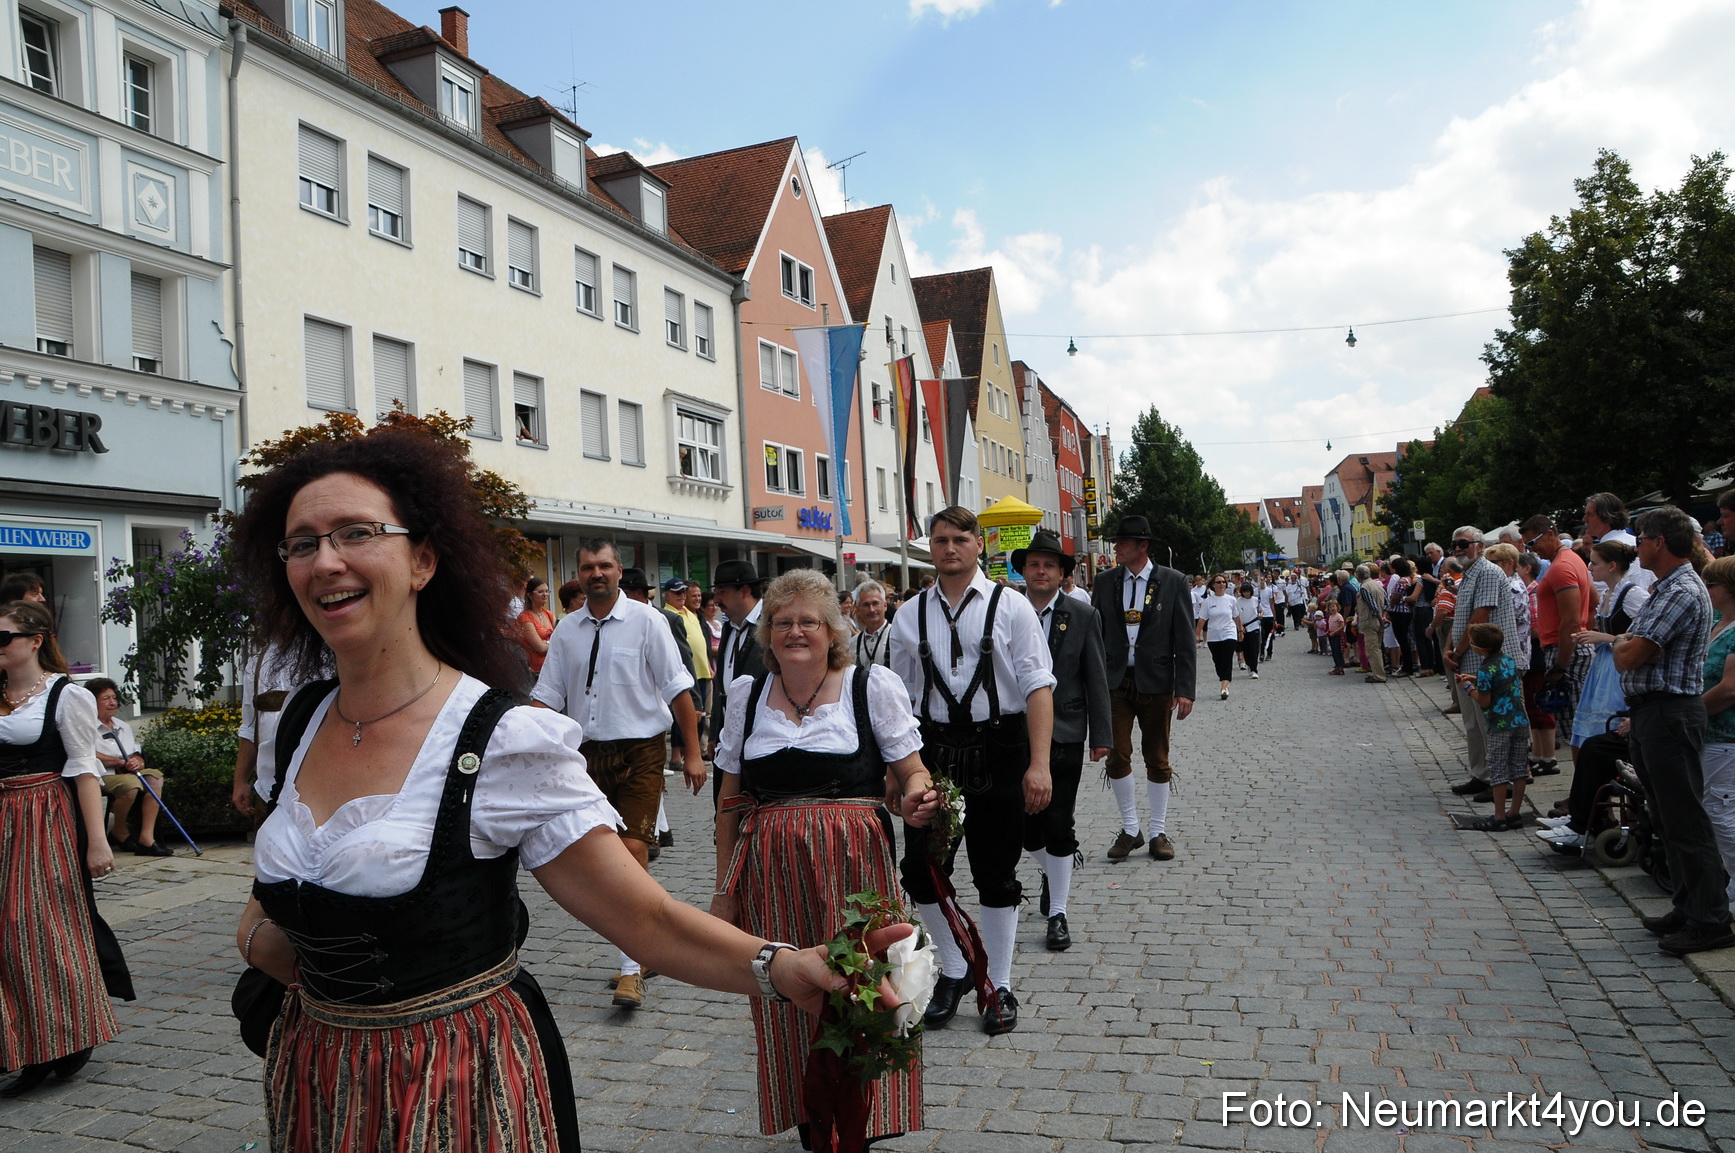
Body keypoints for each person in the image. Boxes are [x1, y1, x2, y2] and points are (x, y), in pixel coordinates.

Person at [229, 433, 908, 1152]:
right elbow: (269, 897)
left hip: (458, 1085)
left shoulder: (500, 738)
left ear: (423, 559)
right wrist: (277, 952)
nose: (325, 560)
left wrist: (780, 965)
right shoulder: (302, 716)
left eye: (357, 533)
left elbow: (645, 919)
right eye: (301, 543)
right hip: (317, 1079)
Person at [711, 569, 937, 1146]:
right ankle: (810, 1115)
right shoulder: (748, 693)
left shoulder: (870, 686)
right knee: (789, 987)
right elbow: (730, 798)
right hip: (771, 866)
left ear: (831, 629)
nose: (795, 632)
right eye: (782, 623)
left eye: (808, 621)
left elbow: (910, 769)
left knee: (866, 984)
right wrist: (723, 887)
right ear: (767, 632)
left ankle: (865, 1117)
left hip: (855, 859)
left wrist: (917, 797)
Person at [890, 506, 1055, 1035]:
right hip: (932, 754)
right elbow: (895, 699)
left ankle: (997, 984)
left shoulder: (1013, 607)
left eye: (960, 538)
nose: (949, 548)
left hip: (1001, 749)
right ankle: (958, 969)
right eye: (940, 540)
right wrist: (895, 774)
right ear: (930, 547)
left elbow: (1037, 687)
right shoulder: (909, 613)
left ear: (979, 544)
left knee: (995, 873)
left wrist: (1039, 764)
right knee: (919, 870)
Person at [534, 543, 706, 1008]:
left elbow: (678, 690)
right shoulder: (566, 630)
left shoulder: (648, 621)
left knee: (631, 850)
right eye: (587, 567)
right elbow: (546, 698)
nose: (596, 574)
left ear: (618, 572)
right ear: (579, 573)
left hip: (641, 751)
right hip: (586, 755)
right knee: (604, 861)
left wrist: (693, 753)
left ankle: (632, 968)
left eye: (604, 566)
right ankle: (648, 943)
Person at [0, 599, 126, 1095]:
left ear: (34, 641)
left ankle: (59, 1040)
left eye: (3, 637)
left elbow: (84, 770)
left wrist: (97, 842)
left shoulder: (65, 695)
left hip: (44, 817)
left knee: (31, 928)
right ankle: (18, 1041)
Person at [1613, 506, 1732, 955]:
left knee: (1685, 819)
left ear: (1660, 542)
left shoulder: (1681, 590)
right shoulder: (1665, 588)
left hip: (1669, 712)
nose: (1637, 546)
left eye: (1641, 538)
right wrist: (1631, 645)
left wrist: (1629, 646)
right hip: (1652, 712)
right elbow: (1631, 646)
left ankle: (1710, 919)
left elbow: (1628, 653)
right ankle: (1688, 906)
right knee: (1664, 815)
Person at [1012, 532, 1111, 952]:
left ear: (1061, 574)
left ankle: (1059, 914)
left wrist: (1102, 734)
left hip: (1066, 731)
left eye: (1049, 565)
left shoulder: (1083, 615)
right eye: (1034, 564)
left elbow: (1096, 676)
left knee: (1057, 822)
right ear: (1024, 569)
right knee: (1021, 827)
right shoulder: (1006, 613)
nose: (1040, 571)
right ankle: (1056, 871)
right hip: (1012, 732)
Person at [1090, 516, 1196, 862]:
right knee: (1117, 754)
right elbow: (1095, 635)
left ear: (1142, 546)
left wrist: (1185, 688)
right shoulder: (1105, 582)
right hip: (1116, 681)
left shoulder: (1172, 581)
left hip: (1158, 680)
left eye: (1122, 542)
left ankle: (1157, 832)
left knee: (1157, 757)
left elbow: (1185, 636)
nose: (1116, 547)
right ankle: (1130, 828)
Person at [1445, 530, 1521, 802]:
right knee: (1473, 724)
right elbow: (1462, 615)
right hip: (1470, 657)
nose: (1457, 549)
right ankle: (1481, 775)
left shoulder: (1488, 571)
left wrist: (1458, 649)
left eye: (1463, 544)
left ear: (1479, 546)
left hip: (1489, 659)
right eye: (1454, 544)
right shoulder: (1469, 574)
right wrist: (1450, 648)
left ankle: (1501, 780)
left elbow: (1480, 617)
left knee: (1492, 723)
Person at [1521, 516, 1596, 760]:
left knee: (1576, 731)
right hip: (1571, 647)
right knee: (1578, 729)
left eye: (1533, 543)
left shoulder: (1562, 566)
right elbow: (1593, 601)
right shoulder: (1572, 561)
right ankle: (1583, 791)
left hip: (1566, 651)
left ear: (1550, 534)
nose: (1532, 550)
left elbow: (1571, 620)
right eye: (1527, 546)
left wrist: (1561, 665)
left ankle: (1582, 793)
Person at [86, 677, 173, 856]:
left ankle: (146, 839)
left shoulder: (122, 726)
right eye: (106, 699)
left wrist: (137, 760)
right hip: (102, 774)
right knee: (130, 786)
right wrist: (116, 761)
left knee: (155, 778)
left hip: (129, 772)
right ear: (93, 702)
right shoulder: (87, 727)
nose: (112, 703)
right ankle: (119, 831)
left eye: (114, 698)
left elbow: (135, 752)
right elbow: (87, 754)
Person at [1456, 623, 1530, 831]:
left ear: (1483, 649)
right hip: (1518, 719)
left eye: (1472, 644)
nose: (1471, 646)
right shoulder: (1507, 660)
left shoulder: (1486, 667)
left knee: (1497, 769)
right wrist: (1475, 679)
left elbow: (1485, 701)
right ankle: (1514, 813)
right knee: (1518, 768)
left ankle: (1498, 816)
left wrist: (1469, 688)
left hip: (1499, 723)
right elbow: (1501, 681)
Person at [1696, 556, 1735, 906]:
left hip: (1727, 736)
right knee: (1713, 810)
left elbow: (1730, 688)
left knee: (1724, 812)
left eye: (1712, 585)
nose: (1707, 591)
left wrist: (1691, 713)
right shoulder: (1717, 622)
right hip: (1708, 735)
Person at [1197, 576, 1240, 698]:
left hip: (1229, 633)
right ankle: (1223, 679)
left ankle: (1224, 687)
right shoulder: (1208, 602)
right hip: (1214, 636)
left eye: (1223, 582)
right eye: (1219, 582)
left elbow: (1236, 616)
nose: (1221, 584)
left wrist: (1241, 630)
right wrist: (1197, 633)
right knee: (1218, 661)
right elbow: (1202, 619)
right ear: (1213, 585)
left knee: (1227, 659)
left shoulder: (1231, 600)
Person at [1354, 564, 1388, 683]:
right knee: (1377, 648)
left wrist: (1379, 617)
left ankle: (1379, 675)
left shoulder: (1364, 587)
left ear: (1358, 575)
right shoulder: (1377, 585)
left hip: (1370, 621)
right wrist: (1383, 617)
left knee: (1373, 649)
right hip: (1379, 621)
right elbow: (1386, 602)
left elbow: (1372, 605)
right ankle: (1379, 671)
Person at [517, 576, 556, 678]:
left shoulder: (549, 614)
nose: (545, 595)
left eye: (547, 591)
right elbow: (540, 648)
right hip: (536, 672)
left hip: (553, 667)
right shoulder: (525, 617)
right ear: (530, 595)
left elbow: (561, 640)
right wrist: (552, 643)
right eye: (540, 592)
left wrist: (546, 642)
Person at [852, 580, 895, 670]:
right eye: (866, 605)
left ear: (885, 606)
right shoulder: (853, 644)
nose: (871, 609)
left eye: (875, 603)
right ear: (858, 610)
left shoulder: (897, 638)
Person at [1234, 581, 1263, 679]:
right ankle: (1249, 665)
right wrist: (1240, 627)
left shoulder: (1256, 600)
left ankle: (1254, 669)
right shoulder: (1238, 601)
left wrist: (1261, 615)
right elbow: (1236, 614)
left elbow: (1261, 610)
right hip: (1243, 628)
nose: (1247, 593)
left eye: (1248, 591)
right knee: (1246, 650)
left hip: (1254, 627)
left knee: (1254, 650)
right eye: (1245, 592)